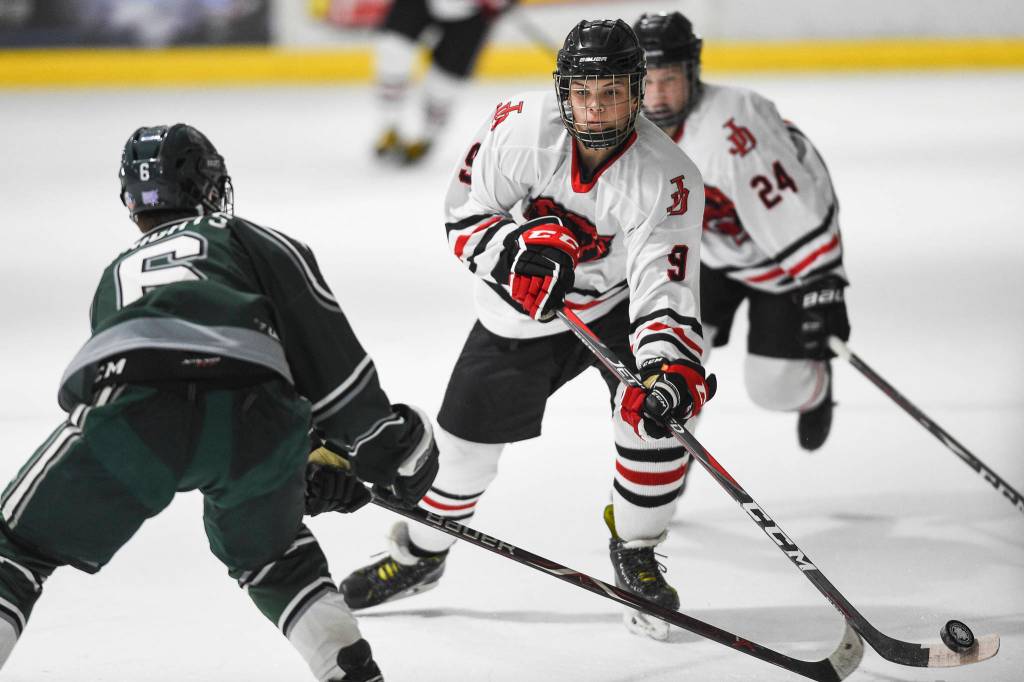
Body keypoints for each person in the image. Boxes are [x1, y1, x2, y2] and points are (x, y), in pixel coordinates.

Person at [0, 124, 438, 681]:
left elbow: (153, 381)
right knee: (278, 561)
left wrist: (307, 457)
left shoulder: (116, 274)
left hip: (134, 412)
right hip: (255, 418)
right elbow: (321, 352)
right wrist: (371, 445)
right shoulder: (248, 237)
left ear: (132, 201)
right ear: (210, 184)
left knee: (13, 552)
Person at [340, 19, 713, 641]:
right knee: (459, 456)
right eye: (584, 93)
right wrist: (516, 252)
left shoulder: (669, 177)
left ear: (637, 90)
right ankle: (419, 557)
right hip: (522, 310)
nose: (596, 110)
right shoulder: (517, 128)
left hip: (618, 307)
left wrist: (668, 369)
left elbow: (663, 289)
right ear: (563, 90)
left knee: (658, 422)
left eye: (613, 93)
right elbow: (463, 217)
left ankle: (637, 551)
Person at [633, 11, 851, 455]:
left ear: (692, 73)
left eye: (669, 79)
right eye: (647, 81)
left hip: (780, 265)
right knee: (663, 363)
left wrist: (823, 282)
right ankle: (672, 455)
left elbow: (791, 205)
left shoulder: (732, 123)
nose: (656, 95)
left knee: (774, 387)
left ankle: (816, 389)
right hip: (705, 257)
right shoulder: (628, 132)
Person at [372, 0, 513, 165]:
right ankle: (390, 127)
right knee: (394, 49)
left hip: (471, 13)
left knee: (445, 84)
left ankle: (427, 138)